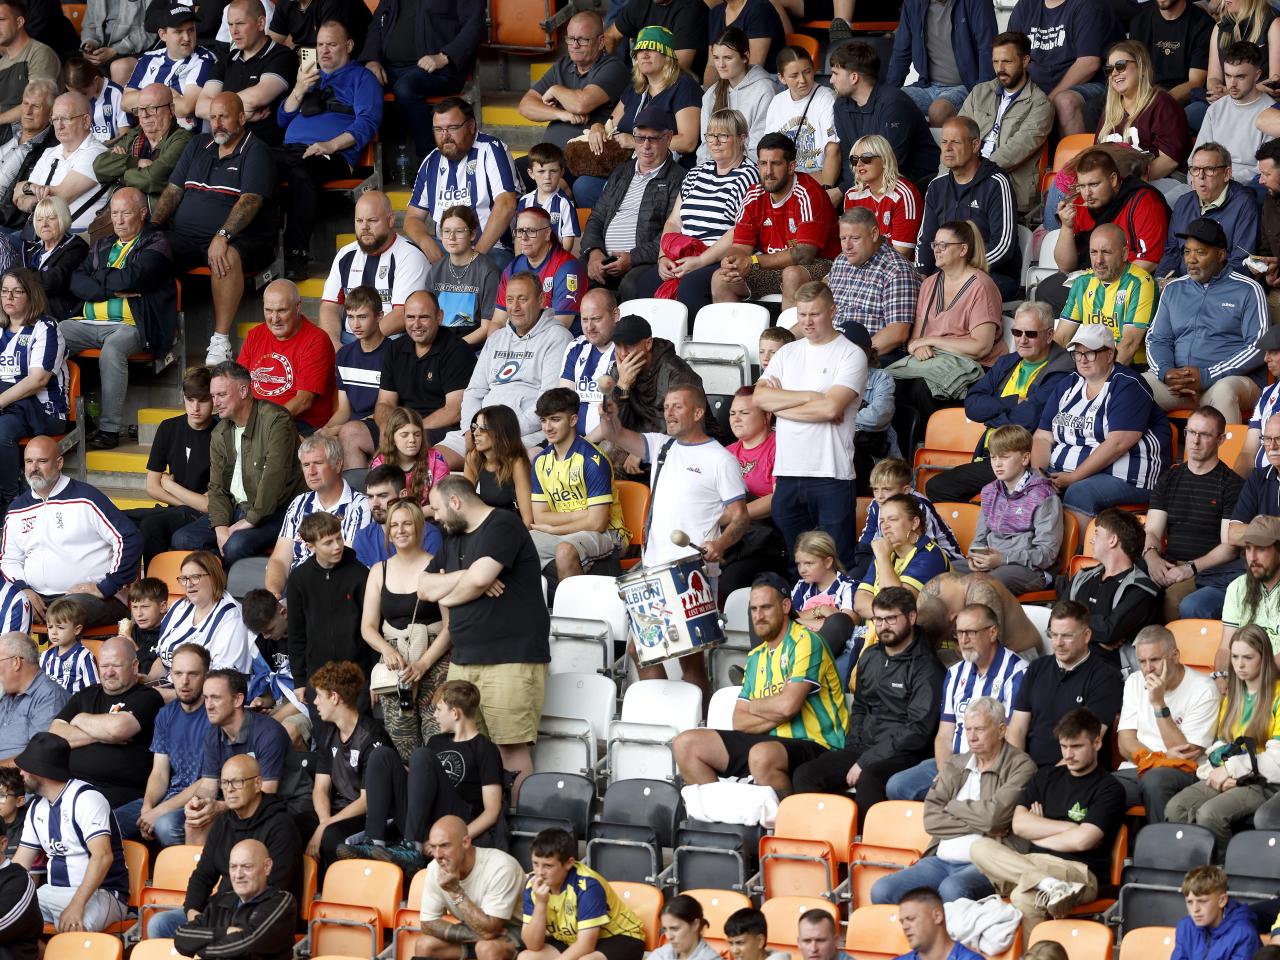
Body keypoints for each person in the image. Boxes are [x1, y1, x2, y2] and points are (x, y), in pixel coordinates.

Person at [595, 384, 748, 697]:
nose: (669, 413)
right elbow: (615, 434)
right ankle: (662, 712)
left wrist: (719, 545)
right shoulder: (661, 445)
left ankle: (697, 722)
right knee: (642, 651)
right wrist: (609, 410)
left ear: (698, 412)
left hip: (692, 572)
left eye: (677, 407)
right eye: (666, 407)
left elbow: (740, 516)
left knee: (690, 658)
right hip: (652, 570)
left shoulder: (721, 459)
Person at [418, 476, 551, 794]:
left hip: (510, 659)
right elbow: (423, 587)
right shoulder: (453, 538)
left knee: (511, 750)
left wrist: (450, 591)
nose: (434, 517)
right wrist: (467, 576)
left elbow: (477, 582)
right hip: (465, 660)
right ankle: (488, 824)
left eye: (436, 509)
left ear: (455, 502)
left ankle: (518, 828)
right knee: (469, 748)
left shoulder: (502, 524)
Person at [672, 574, 848, 797]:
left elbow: (787, 706)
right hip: (769, 742)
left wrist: (756, 706)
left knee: (762, 754)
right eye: (753, 609)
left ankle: (785, 824)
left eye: (765, 607)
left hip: (817, 744)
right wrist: (777, 705)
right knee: (686, 744)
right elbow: (739, 720)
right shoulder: (756, 656)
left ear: (785, 606)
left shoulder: (806, 641)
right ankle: (726, 819)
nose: (758, 616)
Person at [790, 587, 944, 824]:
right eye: (878, 619)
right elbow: (860, 707)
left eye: (891, 618)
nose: (883, 626)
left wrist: (866, 760)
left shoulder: (927, 667)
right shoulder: (870, 656)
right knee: (806, 774)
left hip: (906, 754)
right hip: (864, 746)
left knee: (870, 779)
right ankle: (828, 845)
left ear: (912, 618)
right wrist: (855, 749)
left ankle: (870, 852)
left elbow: (918, 731)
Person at [969, 708, 1126, 936]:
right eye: (1064, 747)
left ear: (1097, 743)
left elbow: (1083, 841)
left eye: (1077, 746)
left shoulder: (1109, 788)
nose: (1069, 754)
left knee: (1023, 897)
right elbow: (1019, 826)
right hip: (1033, 863)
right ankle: (1048, 884)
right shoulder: (1046, 777)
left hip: (1080, 873)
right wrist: (1070, 828)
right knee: (979, 847)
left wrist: (1039, 830)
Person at [150, 92, 277, 365]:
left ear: (242, 118)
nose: (217, 123)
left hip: (246, 238)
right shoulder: (198, 144)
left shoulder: (256, 151)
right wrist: (151, 228)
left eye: (225, 117)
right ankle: (156, 332)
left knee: (226, 254)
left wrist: (222, 235)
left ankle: (220, 341)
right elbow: (173, 191)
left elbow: (250, 200)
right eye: (213, 117)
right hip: (188, 239)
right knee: (150, 250)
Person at [872, 697, 1036, 904]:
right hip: (940, 860)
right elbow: (931, 819)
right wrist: (980, 823)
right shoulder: (956, 763)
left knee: (952, 888)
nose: (972, 737)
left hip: (987, 864)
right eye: (967, 729)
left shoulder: (1021, 766)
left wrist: (952, 806)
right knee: (882, 889)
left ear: (1002, 730)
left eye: (979, 729)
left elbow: (994, 819)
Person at [753, 281, 865, 567]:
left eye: (814, 314)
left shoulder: (851, 354)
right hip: (788, 473)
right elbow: (760, 397)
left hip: (832, 473)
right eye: (801, 315)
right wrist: (809, 397)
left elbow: (830, 408)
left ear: (832, 311)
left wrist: (781, 405)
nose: (807, 322)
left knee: (836, 563)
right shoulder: (787, 353)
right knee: (797, 565)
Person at [337, 679, 505, 869]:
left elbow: (491, 812)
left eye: (439, 710)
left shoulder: (485, 749)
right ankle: (373, 841)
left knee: (421, 755)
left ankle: (411, 847)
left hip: (457, 822)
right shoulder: (436, 742)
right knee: (381, 755)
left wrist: (447, 840)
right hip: (421, 820)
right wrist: (391, 771)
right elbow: (419, 780)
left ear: (455, 713)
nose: (434, 716)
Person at [64, 186, 179, 450]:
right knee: (53, 336)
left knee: (113, 350)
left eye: (125, 213)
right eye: (114, 213)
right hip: (87, 323)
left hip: (132, 326)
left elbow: (134, 277)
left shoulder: (157, 243)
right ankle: (65, 421)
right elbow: (76, 281)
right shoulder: (102, 245)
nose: (118, 220)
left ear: (141, 214)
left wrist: (99, 279)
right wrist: (114, 287)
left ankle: (109, 429)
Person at [924, 302, 1073, 505]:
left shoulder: (1062, 370)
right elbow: (973, 405)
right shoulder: (1007, 362)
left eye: (1031, 334)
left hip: (1020, 460)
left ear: (1048, 335)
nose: (1022, 340)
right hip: (991, 455)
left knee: (939, 487)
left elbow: (1028, 418)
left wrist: (991, 414)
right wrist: (1013, 401)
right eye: (1017, 332)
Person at [147, 753, 302, 940]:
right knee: (160, 924)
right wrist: (193, 914)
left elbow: (274, 888)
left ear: (258, 784)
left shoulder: (280, 825)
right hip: (220, 911)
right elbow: (202, 875)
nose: (229, 789)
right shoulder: (223, 823)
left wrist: (217, 920)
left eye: (237, 782)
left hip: (259, 917)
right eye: (225, 783)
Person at [1032, 324, 1173, 527]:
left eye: (1089, 353)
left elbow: (1117, 444)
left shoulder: (1127, 385)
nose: (1082, 359)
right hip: (1067, 472)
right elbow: (1042, 437)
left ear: (1109, 354)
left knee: (1080, 492)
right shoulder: (1068, 384)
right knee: (1025, 483)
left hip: (1127, 475)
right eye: (1077, 353)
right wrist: (1039, 475)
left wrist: (1072, 478)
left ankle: (1074, 554)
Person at [889, 598, 1029, 802]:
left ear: (992, 632)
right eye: (959, 633)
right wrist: (947, 771)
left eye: (970, 632)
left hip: (992, 766)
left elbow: (1013, 737)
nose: (963, 640)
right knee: (897, 786)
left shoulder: (1017, 672)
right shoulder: (955, 673)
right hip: (954, 762)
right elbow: (945, 734)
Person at [171, 361, 306, 568]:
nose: (215, 403)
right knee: (183, 539)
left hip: (275, 512)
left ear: (243, 391)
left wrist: (250, 520)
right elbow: (216, 488)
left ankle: (240, 583)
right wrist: (221, 527)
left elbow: (274, 477)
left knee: (235, 545)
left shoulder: (276, 420)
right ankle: (222, 582)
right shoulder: (219, 432)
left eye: (221, 395)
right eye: (213, 396)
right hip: (236, 509)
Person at [275, 19, 381, 279]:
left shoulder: (362, 78)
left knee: (301, 172)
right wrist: (299, 88)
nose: (323, 50)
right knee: (254, 166)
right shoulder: (309, 76)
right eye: (320, 44)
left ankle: (296, 253)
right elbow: (282, 119)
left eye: (331, 44)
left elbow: (367, 123)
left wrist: (329, 145)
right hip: (290, 148)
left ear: (349, 45)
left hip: (333, 154)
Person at [434, 272, 574, 469]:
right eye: (510, 300)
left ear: (541, 300)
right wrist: (469, 429)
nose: (515, 307)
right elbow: (475, 391)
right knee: (431, 463)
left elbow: (548, 402)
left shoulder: (558, 337)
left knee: (495, 467)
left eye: (523, 299)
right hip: (481, 431)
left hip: (523, 434)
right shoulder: (497, 338)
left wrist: (499, 432)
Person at [686, 133, 838, 314]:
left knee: (792, 274)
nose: (768, 172)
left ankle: (787, 339)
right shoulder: (753, 195)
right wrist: (732, 260)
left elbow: (804, 254)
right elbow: (741, 247)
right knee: (722, 278)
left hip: (822, 265)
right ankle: (735, 340)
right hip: (772, 267)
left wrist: (752, 261)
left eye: (776, 163)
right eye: (763, 164)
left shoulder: (808, 193)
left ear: (791, 167)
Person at [3, 436, 141, 626]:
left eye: (42, 461)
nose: (34, 468)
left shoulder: (86, 498)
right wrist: (22, 589)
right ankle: (16, 656)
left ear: (59, 462)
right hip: (36, 597)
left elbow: (129, 538)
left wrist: (107, 586)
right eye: (29, 461)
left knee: (62, 613)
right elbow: (10, 560)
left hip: (92, 598)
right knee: (10, 606)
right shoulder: (17, 508)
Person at [1166, 624, 1280, 854]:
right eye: (1235, 657)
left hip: (1265, 782)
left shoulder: (1278, 696)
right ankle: (1190, 872)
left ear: (1264, 658)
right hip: (1231, 775)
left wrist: (1232, 771)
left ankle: (1221, 877)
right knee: (1175, 807)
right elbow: (1220, 746)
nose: (1239, 664)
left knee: (1210, 814)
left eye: (1248, 657)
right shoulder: (1232, 697)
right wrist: (1221, 769)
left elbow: (1276, 760)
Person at [1145, 218, 1267, 426]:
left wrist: (1208, 375)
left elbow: (1259, 346)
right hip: (1178, 384)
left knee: (1223, 391)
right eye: (1187, 252)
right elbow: (1157, 339)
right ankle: (1143, 456)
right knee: (1131, 386)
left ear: (1221, 255)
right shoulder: (1174, 289)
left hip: (1228, 381)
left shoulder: (1248, 289)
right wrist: (1166, 372)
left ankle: (1228, 459)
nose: (1191, 259)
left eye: (1200, 252)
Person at [573, 25, 702, 212]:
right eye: (640, 51)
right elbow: (611, 123)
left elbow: (688, 142)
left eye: (651, 49)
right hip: (628, 167)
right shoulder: (636, 87)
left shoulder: (683, 86)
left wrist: (636, 142)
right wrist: (597, 128)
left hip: (665, 171)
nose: (644, 55)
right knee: (582, 186)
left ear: (667, 56)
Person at [890, 220, 1005, 425]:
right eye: (935, 245)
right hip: (935, 361)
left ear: (963, 250)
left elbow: (981, 346)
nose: (936, 250)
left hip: (975, 367)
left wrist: (931, 341)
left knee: (922, 389)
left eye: (943, 245)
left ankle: (929, 443)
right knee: (891, 384)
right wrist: (917, 349)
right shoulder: (930, 284)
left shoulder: (982, 286)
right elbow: (916, 340)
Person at [13, 731, 129, 932]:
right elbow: (20, 863)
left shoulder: (86, 798)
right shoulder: (35, 807)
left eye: (25, 768)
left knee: (76, 927)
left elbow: (102, 857)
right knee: (7, 915)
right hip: (51, 892)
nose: (21, 773)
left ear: (39, 770)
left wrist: (76, 905)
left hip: (101, 893)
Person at [360, 498, 448, 761]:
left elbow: (450, 627)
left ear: (418, 527)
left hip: (434, 657)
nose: (400, 530)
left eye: (407, 524)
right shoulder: (379, 571)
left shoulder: (436, 566)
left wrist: (423, 664)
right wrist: (386, 649)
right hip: (395, 662)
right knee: (401, 742)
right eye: (394, 525)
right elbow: (368, 627)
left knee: (438, 736)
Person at [1144, 406, 1245, 621]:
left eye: (1205, 435)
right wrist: (1152, 556)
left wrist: (1190, 568)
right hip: (1168, 563)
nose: (1195, 441)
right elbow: (1152, 530)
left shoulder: (1232, 485)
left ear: (1221, 440)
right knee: (1131, 589)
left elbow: (1229, 548)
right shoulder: (1169, 478)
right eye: (1191, 432)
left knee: (1172, 599)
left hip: (1208, 570)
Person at [1114, 625, 1220, 822]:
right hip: (1140, 767)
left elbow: (1185, 754)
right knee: (1094, 786)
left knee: (1155, 781)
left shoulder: (1203, 689)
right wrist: (1157, 759)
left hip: (1184, 774)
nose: (1148, 669)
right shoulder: (1134, 681)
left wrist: (1158, 703)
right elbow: (1125, 741)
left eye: (1155, 660)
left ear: (1175, 655)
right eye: (1142, 661)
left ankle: (1163, 849)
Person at [49, 635, 165, 812]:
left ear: (134, 667)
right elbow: (56, 734)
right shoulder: (85, 695)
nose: (109, 672)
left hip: (121, 794)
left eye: (116, 666)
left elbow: (118, 729)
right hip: (73, 787)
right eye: (104, 666)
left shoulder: (147, 697)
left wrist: (79, 719)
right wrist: (101, 736)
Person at [581, 105, 685, 299]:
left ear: (668, 138)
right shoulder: (622, 171)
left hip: (645, 263)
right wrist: (594, 252)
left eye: (653, 139)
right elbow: (597, 217)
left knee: (632, 285)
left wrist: (633, 258)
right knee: (573, 273)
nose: (645, 146)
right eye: (639, 138)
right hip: (605, 258)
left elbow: (671, 233)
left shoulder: (678, 179)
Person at [1007, 600, 1125, 768]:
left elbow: (1084, 746)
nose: (1058, 643)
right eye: (1053, 635)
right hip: (1028, 773)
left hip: (1076, 778)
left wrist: (1046, 782)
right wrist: (1017, 772)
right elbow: (1017, 729)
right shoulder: (1036, 668)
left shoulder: (1106, 678)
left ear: (1086, 636)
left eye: (1067, 636)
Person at [404, 97, 519, 267]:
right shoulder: (431, 161)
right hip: (446, 249)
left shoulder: (491, 149)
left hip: (492, 249)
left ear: (471, 126)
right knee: (407, 255)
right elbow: (412, 219)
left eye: (452, 128)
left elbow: (507, 204)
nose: (445, 136)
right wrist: (427, 244)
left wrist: (475, 258)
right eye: (438, 129)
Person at [529, 388, 627, 580]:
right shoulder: (540, 461)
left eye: (555, 419)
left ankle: (570, 610)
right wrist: (580, 514)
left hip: (610, 534)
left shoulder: (592, 459)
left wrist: (555, 528)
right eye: (543, 420)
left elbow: (597, 523)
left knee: (565, 551)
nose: (547, 427)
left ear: (573, 420)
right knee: (512, 543)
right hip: (571, 531)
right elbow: (540, 517)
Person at [360, 0, 481, 156]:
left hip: (441, 69)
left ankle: (430, 158)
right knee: (360, 81)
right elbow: (377, 23)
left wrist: (444, 56)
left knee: (405, 88)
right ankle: (356, 166)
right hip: (391, 68)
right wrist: (372, 60)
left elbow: (475, 26)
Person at [119, 643, 212, 847]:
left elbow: (210, 782)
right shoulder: (166, 715)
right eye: (178, 673)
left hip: (203, 801)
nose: (184, 681)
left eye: (193, 674)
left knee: (165, 825)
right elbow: (160, 772)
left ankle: (185, 877)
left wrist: (159, 811)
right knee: (110, 823)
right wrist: (147, 807)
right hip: (170, 796)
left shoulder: (215, 715)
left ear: (206, 675)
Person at [917, 117, 1019, 300]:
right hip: (946, 272)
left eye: (955, 142)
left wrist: (962, 270)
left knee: (956, 294)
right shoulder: (936, 186)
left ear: (974, 145)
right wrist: (923, 275)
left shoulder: (996, 183)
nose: (947, 148)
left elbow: (1003, 245)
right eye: (944, 141)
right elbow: (925, 240)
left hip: (992, 274)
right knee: (914, 292)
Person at [262, 433, 371, 597]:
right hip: (295, 593)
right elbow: (279, 560)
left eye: (318, 463)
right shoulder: (299, 503)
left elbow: (341, 564)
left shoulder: (360, 506)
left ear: (338, 465)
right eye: (306, 465)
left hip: (332, 595)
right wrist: (274, 595)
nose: (311, 471)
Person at [957, 32, 1053, 215]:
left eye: (1007, 62)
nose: (999, 68)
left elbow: (1016, 150)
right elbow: (955, 137)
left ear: (1025, 61)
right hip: (966, 176)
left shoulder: (1040, 103)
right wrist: (946, 178)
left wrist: (972, 174)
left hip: (1005, 184)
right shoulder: (979, 92)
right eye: (995, 62)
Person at [305, 660, 388, 873]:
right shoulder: (327, 732)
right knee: (292, 824)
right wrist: (324, 821)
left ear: (335, 697)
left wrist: (326, 826)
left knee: (332, 835)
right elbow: (320, 788)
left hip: (369, 816)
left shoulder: (371, 735)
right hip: (335, 812)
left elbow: (367, 801)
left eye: (320, 696)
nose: (315, 702)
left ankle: (338, 894)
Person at [1050, 149, 1168, 295]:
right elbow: (1065, 266)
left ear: (1113, 180)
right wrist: (1067, 227)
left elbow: (1150, 261)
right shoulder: (1081, 204)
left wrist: (1100, 284)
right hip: (1090, 279)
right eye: (1082, 186)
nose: (1087, 193)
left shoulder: (1144, 202)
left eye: (1094, 184)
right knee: (1048, 288)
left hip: (1129, 285)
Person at [320, 190, 429, 347]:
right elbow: (330, 306)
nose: (364, 227)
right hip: (346, 339)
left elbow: (402, 314)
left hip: (390, 341)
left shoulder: (410, 255)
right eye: (359, 221)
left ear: (390, 220)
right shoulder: (345, 254)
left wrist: (360, 349)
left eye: (372, 220)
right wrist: (334, 345)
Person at [829, 42, 940, 195]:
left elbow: (889, 163)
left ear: (854, 77)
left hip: (913, 185)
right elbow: (850, 159)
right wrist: (849, 192)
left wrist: (842, 191)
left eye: (835, 73)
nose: (831, 80)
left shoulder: (894, 104)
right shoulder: (841, 105)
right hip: (868, 184)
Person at [519, 827, 646, 960]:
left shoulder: (588, 886)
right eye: (535, 863)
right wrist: (540, 903)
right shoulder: (532, 885)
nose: (540, 872)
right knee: (526, 957)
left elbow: (586, 945)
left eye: (548, 866)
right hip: (572, 939)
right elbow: (533, 945)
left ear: (569, 863)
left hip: (620, 937)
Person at [372, 289, 476, 449]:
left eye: (424, 317)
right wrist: (387, 428)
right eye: (411, 317)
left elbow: (454, 411)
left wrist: (410, 431)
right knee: (352, 433)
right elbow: (385, 402)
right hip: (401, 426)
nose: (416, 324)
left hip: (440, 430)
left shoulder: (457, 350)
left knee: (412, 444)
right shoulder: (395, 349)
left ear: (439, 317)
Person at [411, 814, 524, 960]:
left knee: (486, 948)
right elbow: (428, 924)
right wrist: (473, 935)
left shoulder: (501, 866)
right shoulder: (434, 868)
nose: (437, 855)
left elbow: (490, 931)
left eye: (445, 845)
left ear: (465, 842)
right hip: (477, 930)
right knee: (425, 945)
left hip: (518, 930)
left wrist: (455, 891)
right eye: (433, 847)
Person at [967, 424, 1062, 594]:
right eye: (993, 457)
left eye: (1004, 457)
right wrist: (974, 556)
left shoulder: (1043, 496)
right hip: (992, 563)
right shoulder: (989, 492)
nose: (997, 464)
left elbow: (1046, 554)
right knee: (946, 571)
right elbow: (979, 538)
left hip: (1030, 570)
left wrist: (1003, 559)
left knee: (985, 584)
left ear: (1025, 459)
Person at [1061, 507, 1161, 668]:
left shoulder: (1141, 589)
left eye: (1097, 534)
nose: (1092, 540)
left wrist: (1071, 626)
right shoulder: (1082, 577)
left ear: (1113, 540)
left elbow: (1108, 632)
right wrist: (1095, 635)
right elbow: (1055, 619)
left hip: (1108, 672)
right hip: (1069, 664)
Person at [516, 11, 628, 151]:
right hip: (550, 160)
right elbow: (525, 107)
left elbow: (581, 104)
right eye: (571, 38)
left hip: (587, 159)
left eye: (582, 40)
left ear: (600, 42)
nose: (575, 45)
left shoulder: (614, 67)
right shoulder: (562, 65)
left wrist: (555, 90)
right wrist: (562, 114)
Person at [238, 279, 337, 434]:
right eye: (268, 310)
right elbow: (239, 382)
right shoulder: (255, 335)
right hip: (255, 418)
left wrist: (263, 423)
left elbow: (303, 401)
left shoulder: (316, 340)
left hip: (298, 422)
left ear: (298, 307)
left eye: (282, 311)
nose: (274, 319)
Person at [173, 838, 297, 960]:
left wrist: (200, 950)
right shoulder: (220, 901)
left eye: (247, 867)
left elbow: (248, 944)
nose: (238, 875)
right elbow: (181, 936)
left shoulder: (281, 902)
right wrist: (225, 932)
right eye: (233, 867)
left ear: (267, 867)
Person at [1007, 0, 1119, 135]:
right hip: (1036, 88)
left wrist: (1046, 103)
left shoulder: (1089, 5)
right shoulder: (1025, 6)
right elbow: (1010, 55)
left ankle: (1077, 156)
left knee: (1065, 102)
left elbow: (1089, 64)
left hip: (1089, 85)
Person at [195, 0, 296, 147]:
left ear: (261, 23)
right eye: (230, 24)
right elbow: (200, 107)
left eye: (240, 23)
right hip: (223, 146)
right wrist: (241, 115)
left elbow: (257, 98)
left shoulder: (282, 56)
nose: (234, 31)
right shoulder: (227, 59)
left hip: (263, 148)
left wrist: (220, 110)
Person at [1055, 224, 1156, 369]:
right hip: (1089, 365)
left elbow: (1129, 345)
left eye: (1106, 252)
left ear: (1124, 253)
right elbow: (1062, 337)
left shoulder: (1140, 283)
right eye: (1093, 252)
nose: (1098, 260)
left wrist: (1103, 382)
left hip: (1129, 368)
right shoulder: (1083, 283)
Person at [826, 207, 920, 361]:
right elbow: (823, 312)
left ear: (874, 234)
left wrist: (849, 357)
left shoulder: (897, 270)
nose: (847, 246)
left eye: (855, 238)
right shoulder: (841, 261)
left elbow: (897, 333)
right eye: (843, 238)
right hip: (833, 348)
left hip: (876, 356)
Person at [886, 0, 996, 127]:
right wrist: (888, 92)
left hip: (966, 86)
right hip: (926, 86)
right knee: (890, 102)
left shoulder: (978, 3)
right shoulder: (913, 4)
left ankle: (937, 147)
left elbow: (988, 49)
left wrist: (981, 98)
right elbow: (901, 53)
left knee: (939, 111)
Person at [1157, 143, 1259, 278]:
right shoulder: (1183, 203)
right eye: (1195, 169)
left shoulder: (1244, 204)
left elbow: (1242, 261)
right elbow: (1172, 252)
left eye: (1209, 169)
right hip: (1182, 286)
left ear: (1227, 174)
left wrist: (1199, 288)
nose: (1200, 176)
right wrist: (1162, 280)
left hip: (1221, 289)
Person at [1096, 40, 1190, 184]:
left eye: (1120, 66)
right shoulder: (1110, 111)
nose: (1114, 73)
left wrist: (1126, 185)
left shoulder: (1162, 103)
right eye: (1109, 69)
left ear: (1141, 67)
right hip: (1117, 186)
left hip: (1163, 179)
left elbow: (1169, 161)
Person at [12, 92, 107, 234]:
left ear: (86, 121)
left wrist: (26, 190)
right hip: (37, 235)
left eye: (66, 119)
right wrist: (30, 191)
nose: (59, 126)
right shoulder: (49, 152)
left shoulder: (97, 154)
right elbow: (17, 198)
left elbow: (59, 199)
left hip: (72, 239)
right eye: (55, 119)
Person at [150, 550, 254, 680]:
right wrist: (148, 681)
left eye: (195, 577)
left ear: (214, 577)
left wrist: (162, 695)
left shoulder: (232, 618)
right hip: (169, 688)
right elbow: (163, 660)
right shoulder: (179, 607)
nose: (188, 584)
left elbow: (222, 682)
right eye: (184, 578)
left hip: (208, 696)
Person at [604, 314, 707, 442]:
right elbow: (613, 426)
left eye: (629, 345)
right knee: (607, 448)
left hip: (687, 444)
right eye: (618, 345)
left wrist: (647, 450)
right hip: (641, 439)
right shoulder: (619, 371)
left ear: (648, 344)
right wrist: (623, 386)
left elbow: (686, 426)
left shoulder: (676, 372)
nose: (623, 353)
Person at [320, 285, 389, 462]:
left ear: (379, 316)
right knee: (310, 442)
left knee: (347, 435)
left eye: (362, 317)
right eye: (350, 317)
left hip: (382, 426)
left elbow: (388, 409)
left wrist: (337, 430)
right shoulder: (344, 355)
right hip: (349, 425)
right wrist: (324, 430)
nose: (355, 325)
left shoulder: (394, 353)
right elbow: (344, 409)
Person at [92, 83, 191, 203]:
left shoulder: (182, 139)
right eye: (140, 109)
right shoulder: (136, 134)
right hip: (121, 211)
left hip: (155, 217)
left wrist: (117, 174)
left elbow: (151, 179)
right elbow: (99, 166)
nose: (144, 115)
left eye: (152, 108)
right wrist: (136, 162)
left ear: (171, 109)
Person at [854, 493, 956, 610]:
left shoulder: (930, 554)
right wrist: (884, 612)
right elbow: (859, 604)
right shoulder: (885, 551)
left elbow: (897, 605)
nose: (885, 526)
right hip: (876, 628)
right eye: (882, 521)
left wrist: (883, 559)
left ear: (914, 523)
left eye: (892, 519)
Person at [123, 5, 215, 130]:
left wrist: (144, 101)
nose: (187, 38)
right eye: (179, 31)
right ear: (163, 35)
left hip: (185, 139)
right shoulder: (148, 59)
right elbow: (125, 102)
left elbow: (185, 108)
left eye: (191, 30)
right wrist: (166, 94)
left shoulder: (204, 60)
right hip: (148, 137)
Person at [497, 206, 586, 332]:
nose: (524, 237)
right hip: (519, 342)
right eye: (520, 231)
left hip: (555, 345)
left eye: (531, 231)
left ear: (547, 234)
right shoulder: (513, 267)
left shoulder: (568, 267)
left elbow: (559, 326)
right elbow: (498, 321)